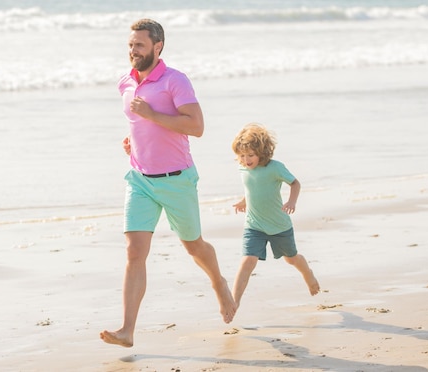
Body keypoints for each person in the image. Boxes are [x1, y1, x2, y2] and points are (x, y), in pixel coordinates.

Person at [99, 18, 236, 348]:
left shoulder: (175, 81)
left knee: (194, 246)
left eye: (140, 45)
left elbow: (197, 126)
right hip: (140, 179)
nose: (133, 50)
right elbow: (138, 123)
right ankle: (127, 329)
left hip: (177, 180)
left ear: (157, 47)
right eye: (131, 45)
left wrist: (151, 116)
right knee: (135, 252)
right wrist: (133, 140)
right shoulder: (126, 83)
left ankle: (218, 281)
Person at [230, 123, 320, 311]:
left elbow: (295, 184)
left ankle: (308, 274)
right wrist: (243, 202)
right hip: (254, 226)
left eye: (250, 155)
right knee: (248, 261)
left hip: (279, 226)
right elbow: (252, 189)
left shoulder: (275, 168)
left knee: (291, 258)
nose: (246, 160)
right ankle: (233, 302)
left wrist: (292, 202)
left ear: (261, 152)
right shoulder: (243, 169)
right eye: (242, 155)